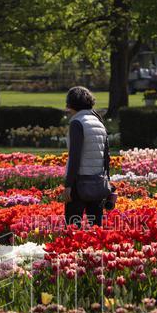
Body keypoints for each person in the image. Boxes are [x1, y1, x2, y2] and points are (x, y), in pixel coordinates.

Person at [62, 86, 110, 227]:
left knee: (72, 226)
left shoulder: (77, 123)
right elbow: (106, 157)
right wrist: (107, 181)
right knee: (96, 227)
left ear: (71, 104)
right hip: (98, 181)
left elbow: (75, 156)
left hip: (79, 182)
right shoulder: (99, 122)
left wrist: (68, 185)